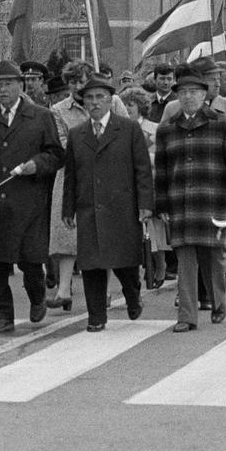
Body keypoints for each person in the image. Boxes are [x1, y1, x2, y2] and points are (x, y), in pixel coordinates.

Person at [0, 62, 63, 334]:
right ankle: (2, 314)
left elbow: (55, 155)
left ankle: (37, 296)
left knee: (29, 259)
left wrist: (36, 165)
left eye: (8, 84)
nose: (3, 89)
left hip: (28, 202)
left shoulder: (40, 117)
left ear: (20, 85)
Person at [153, 67, 226, 332]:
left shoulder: (223, 124)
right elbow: (160, 170)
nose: (188, 97)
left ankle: (218, 302)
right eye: (183, 93)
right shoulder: (167, 129)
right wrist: (160, 204)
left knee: (214, 259)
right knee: (185, 261)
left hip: (213, 200)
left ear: (204, 95)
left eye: (193, 92)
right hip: (180, 203)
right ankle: (186, 316)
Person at [60, 76, 150, 331]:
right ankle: (96, 316)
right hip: (89, 207)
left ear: (111, 100)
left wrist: (145, 204)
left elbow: (143, 170)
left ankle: (133, 296)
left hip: (122, 207)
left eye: (100, 97)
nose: (95, 103)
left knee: (125, 263)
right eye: (89, 98)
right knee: (91, 265)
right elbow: (71, 175)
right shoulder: (78, 134)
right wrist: (68, 208)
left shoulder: (129, 129)